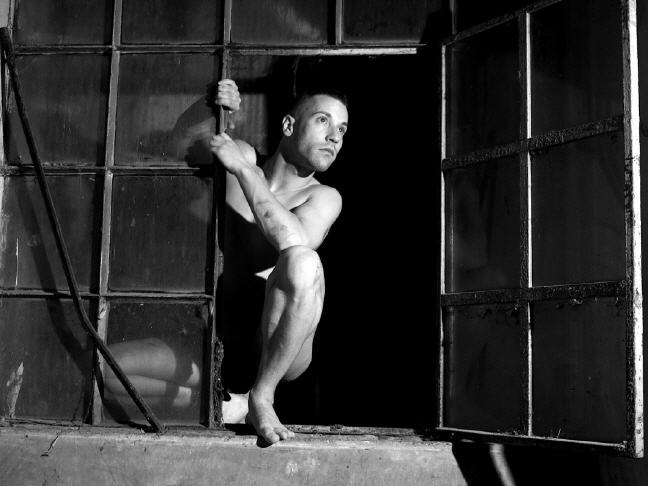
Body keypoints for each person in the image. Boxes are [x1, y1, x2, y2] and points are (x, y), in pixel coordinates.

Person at [104, 79, 347, 445]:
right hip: (216, 340)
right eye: (323, 121)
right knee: (107, 370)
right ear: (288, 125)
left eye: (342, 129)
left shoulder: (324, 196)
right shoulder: (243, 156)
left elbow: (291, 240)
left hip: (274, 348)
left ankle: (261, 397)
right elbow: (181, 145)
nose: (334, 137)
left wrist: (244, 171)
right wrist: (209, 105)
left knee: (303, 262)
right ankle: (224, 406)